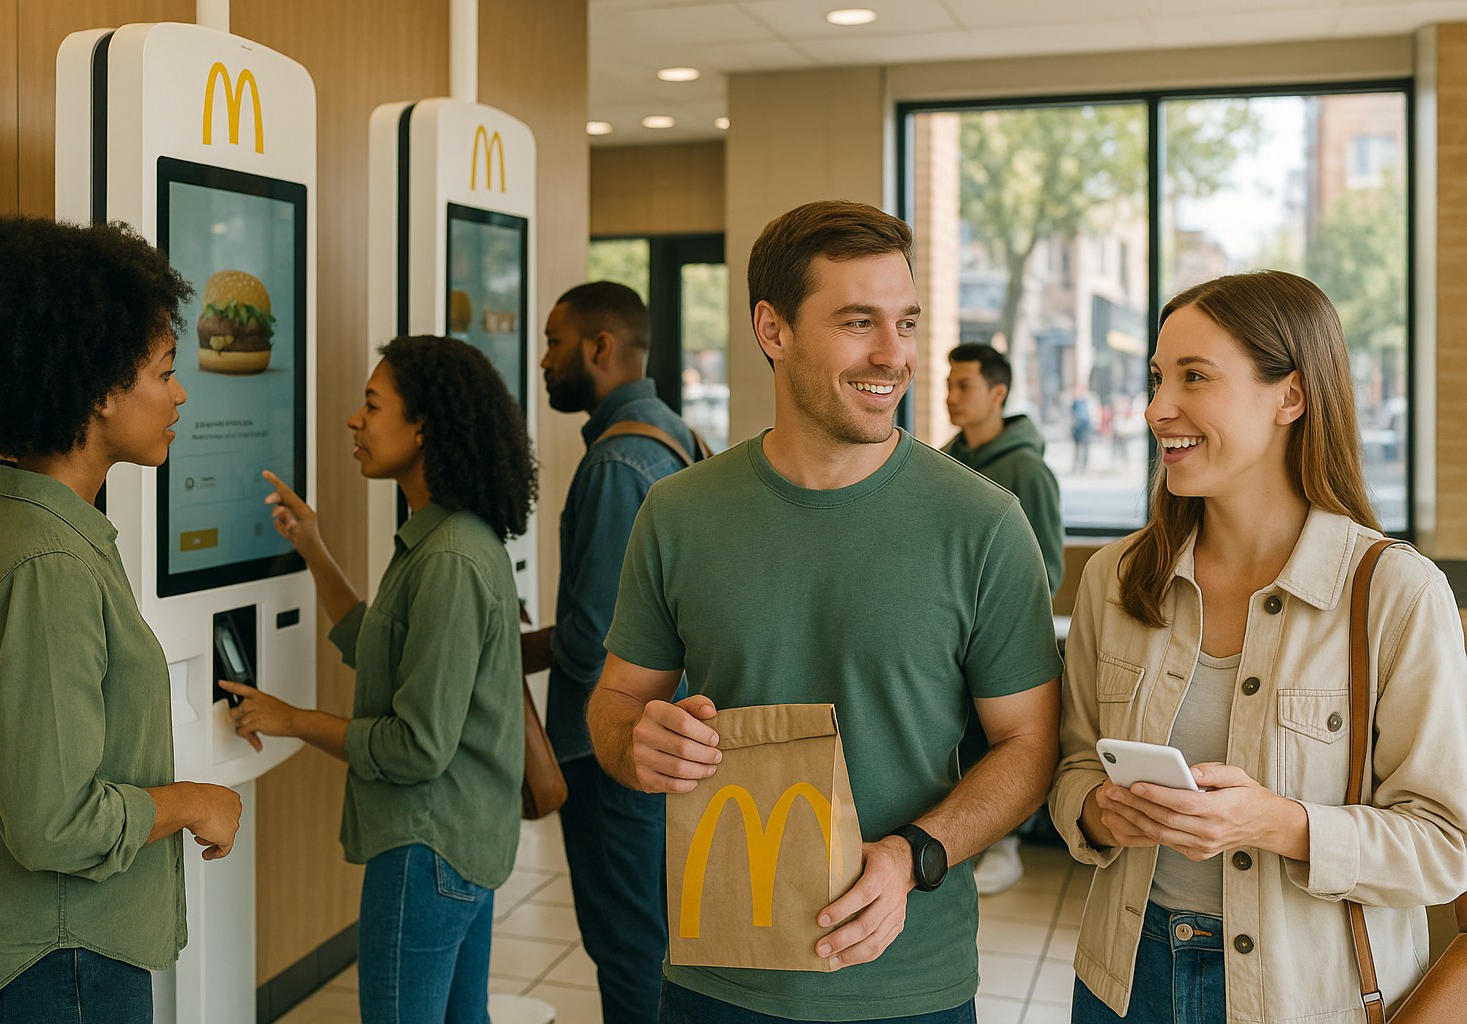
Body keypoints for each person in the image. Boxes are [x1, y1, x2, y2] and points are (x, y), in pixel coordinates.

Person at [587, 200, 1063, 1024]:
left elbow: (1030, 748)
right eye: (857, 322)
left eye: (906, 322)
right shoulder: (677, 513)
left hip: (909, 987)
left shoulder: (983, 523)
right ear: (774, 331)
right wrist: (637, 743)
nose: (895, 355)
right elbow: (615, 704)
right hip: (715, 980)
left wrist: (915, 854)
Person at [1050, 270, 1467, 1023]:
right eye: (1156, 378)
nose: (1154, 409)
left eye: (1195, 377)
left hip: (1307, 997)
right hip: (1122, 983)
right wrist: (1097, 811)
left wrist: (1276, 823)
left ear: (1292, 397)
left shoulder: (1398, 594)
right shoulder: (1117, 578)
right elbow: (1074, 764)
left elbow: (1446, 846)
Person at [0, 216, 243, 1021]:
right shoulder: (49, 567)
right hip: (54, 968)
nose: (178, 393)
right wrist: (193, 802)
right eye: (165, 370)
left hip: (57, 960)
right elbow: (53, 824)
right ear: (101, 387)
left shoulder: (37, 529)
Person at [222, 336, 535, 1024]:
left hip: (428, 849)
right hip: (463, 842)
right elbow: (382, 648)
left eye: (371, 404)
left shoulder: (447, 559)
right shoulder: (448, 537)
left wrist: (291, 719)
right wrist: (312, 546)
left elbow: (417, 747)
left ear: (423, 426)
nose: (352, 421)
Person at [522, 281, 703, 1024]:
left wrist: (516, 639)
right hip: (670, 733)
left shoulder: (613, 465)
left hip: (611, 748)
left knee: (626, 945)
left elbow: (594, 643)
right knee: (660, 936)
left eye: (554, 343)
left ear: (599, 348)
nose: (543, 361)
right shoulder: (677, 439)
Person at [943, 342, 1065, 895]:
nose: (950, 397)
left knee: (1001, 743)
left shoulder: (1026, 470)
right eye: (948, 384)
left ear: (997, 393)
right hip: (945, 638)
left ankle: (1004, 841)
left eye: (963, 386)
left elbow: (1047, 568)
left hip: (992, 643)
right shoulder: (945, 460)